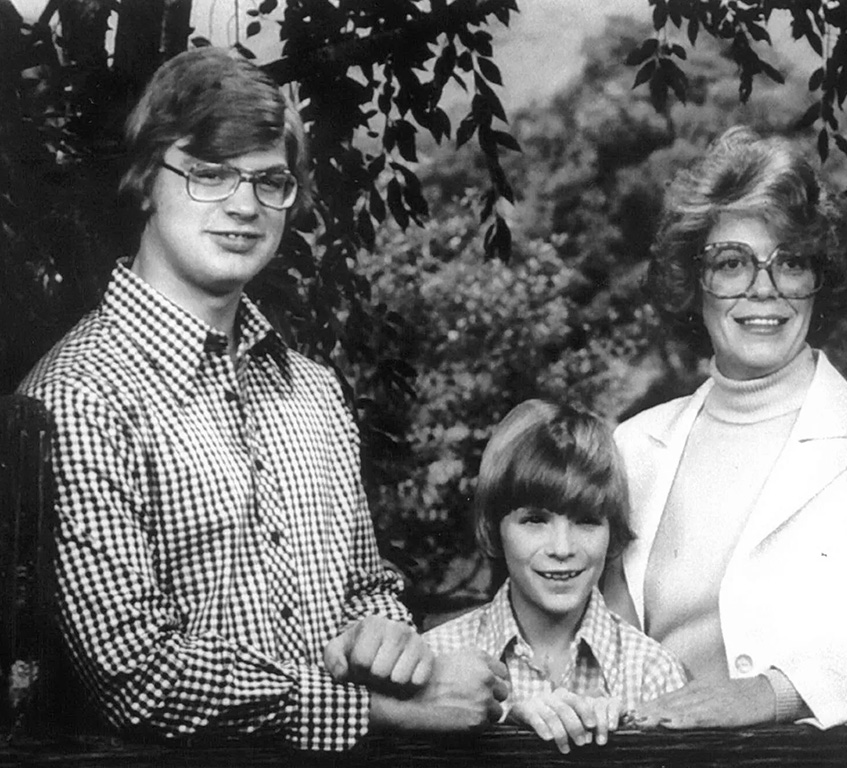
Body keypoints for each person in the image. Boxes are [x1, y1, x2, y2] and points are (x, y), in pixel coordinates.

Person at [17, 47, 507, 751]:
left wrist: (385, 638)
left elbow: (368, 587)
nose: (244, 205)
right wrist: (377, 709)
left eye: (269, 180)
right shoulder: (80, 395)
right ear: (146, 181)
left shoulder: (312, 391)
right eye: (209, 174)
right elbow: (134, 673)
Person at [603, 126, 847, 730]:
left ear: (821, 279)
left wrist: (775, 692)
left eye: (791, 262)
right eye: (731, 263)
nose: (764, 288)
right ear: (693, 281)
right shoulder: (631, 448)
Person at [424, 400, 686, 754]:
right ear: (494, 527)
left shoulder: (652, 671)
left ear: (613, 530)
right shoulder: (437, 657)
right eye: (534, 520)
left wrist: (625, 744)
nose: (562, 548)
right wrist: (501, 733)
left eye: (586, 520)